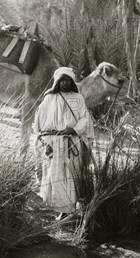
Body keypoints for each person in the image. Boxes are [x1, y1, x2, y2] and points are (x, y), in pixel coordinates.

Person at [33, 67, 94, 218]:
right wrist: (46, 142)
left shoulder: (78, 98)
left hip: (72, 142)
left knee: (72, 175)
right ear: (57, 81)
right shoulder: (49, 98)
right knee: (55, 176)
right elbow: (40, 122)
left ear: (72, 81)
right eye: (62, 80)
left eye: (68, 80)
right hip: (54, 142)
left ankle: (69, 210)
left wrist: (73, 130)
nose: (65, 83)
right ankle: (60, 209)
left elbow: (85, 119)